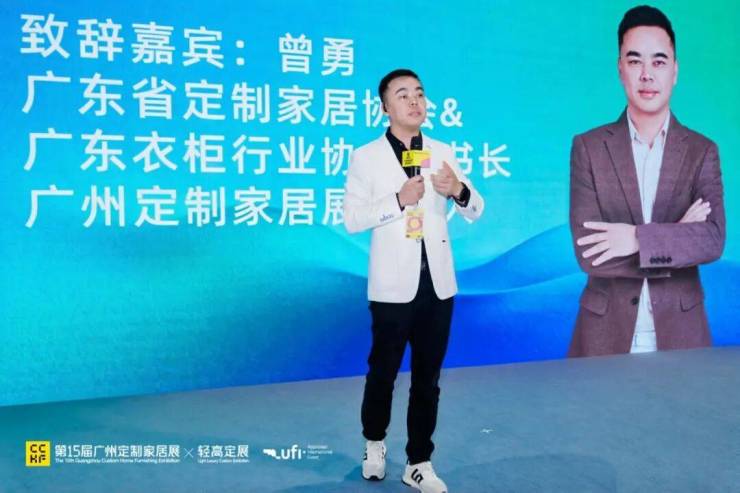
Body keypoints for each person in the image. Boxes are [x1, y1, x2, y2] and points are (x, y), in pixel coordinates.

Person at [343, 68, 484, 492]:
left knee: (428, 378)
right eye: (403, 95)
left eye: (419, 94)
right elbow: (353, 219)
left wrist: (458, 190)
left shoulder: (442, 151)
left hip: (437, 284)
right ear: (385, 108)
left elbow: (475, 208)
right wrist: (398, 200)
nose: (414, 101)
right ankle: (374, 442)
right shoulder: (366, 156)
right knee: (382, 372)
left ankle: (419, 461)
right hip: (391, 286)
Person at [569, 5, 725, 357]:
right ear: (620, 68)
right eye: (635, 60)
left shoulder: (702, 151)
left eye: (659, 61)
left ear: (675, 71)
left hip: (682, 333)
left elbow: (712, 240)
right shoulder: (588, 148)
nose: (647, 74)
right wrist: (675, 237)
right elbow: (589, 254)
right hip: (604, 336)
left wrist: (635, 238)